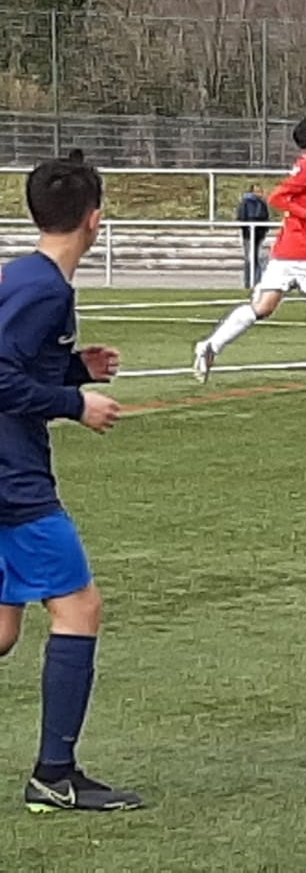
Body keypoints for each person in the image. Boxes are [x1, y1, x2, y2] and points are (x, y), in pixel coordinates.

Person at [0, 158, 142, 811]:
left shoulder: (25, 275)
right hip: (13, 480)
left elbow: (18, 361)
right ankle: (53, 774)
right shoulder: (45, 289)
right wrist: (73, 403)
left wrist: (72, 369)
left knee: (4, 631)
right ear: (95, 220)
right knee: (79, 608)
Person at [193, 117, 306, 392]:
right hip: (302, 251)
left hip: (286, 249)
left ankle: (210, 346)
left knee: (263, 307)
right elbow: (277, 198)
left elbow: (301, 205)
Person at [236, 184, 271, 287]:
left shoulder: (262, 203)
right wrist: (247, 229)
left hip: (259, 235)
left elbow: (265, 218)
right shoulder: (246, 202)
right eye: (257, 191)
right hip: (249, 235)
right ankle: (248, 281)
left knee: (257, 258)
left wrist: (264, 230)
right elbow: (242, 217)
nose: (259, 193)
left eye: (260, 191)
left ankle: (256, 281)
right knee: (249, 258)